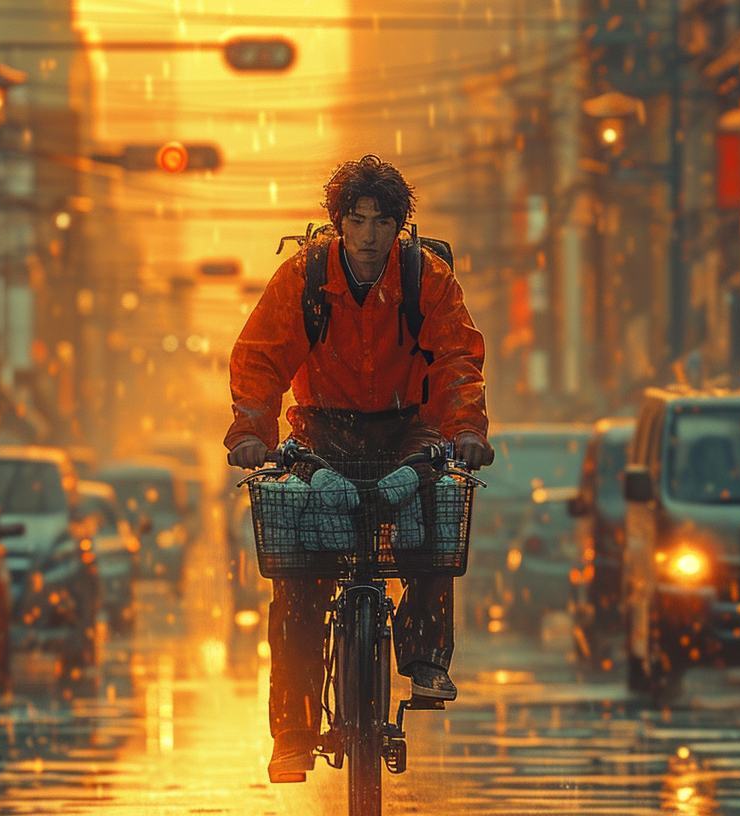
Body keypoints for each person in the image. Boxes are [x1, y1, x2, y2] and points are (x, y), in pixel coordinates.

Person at [225, 155, 494, 783]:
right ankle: (293, 733)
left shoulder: (428, 280)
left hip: (408, 431)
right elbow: (259, 361)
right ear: (338, 224)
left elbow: (458, 358)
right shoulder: (301, 281)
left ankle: (426, 656)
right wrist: (250, 435)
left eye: (382, 222)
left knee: (432, 526)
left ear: (401, 226)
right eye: (357, 220)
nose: (370, 235)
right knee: (298, 584)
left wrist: (468, 432)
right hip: (321, 435)